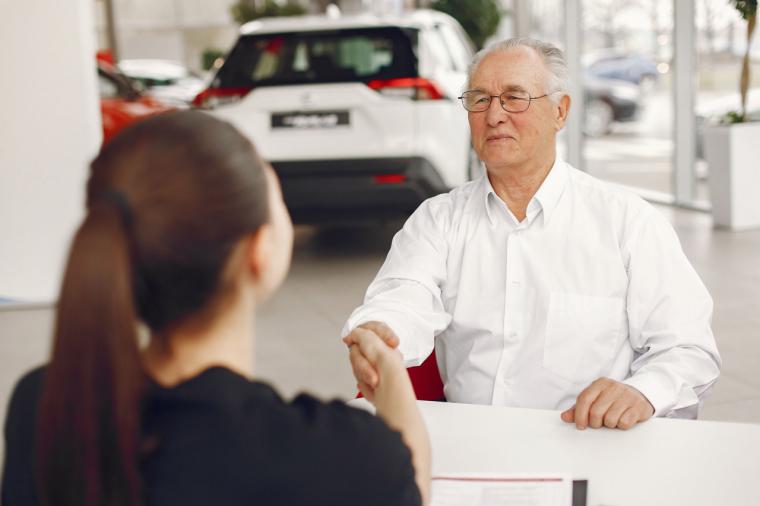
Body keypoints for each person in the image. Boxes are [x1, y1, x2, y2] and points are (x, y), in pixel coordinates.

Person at [2, 111, 430, 506]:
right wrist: (394, 382)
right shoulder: (337, 457)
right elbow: (409, 485)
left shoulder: (41, 405)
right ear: (258, 251)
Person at [343, 38, 721, 431]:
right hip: (472, 448)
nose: (494, 116)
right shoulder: (438, 220)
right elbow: (403, 296)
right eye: (479, 99)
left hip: (588, 445)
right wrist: (380, 331)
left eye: (514, 97)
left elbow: (689, 348)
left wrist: (643, 391)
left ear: (560, 111)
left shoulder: (627, 222)